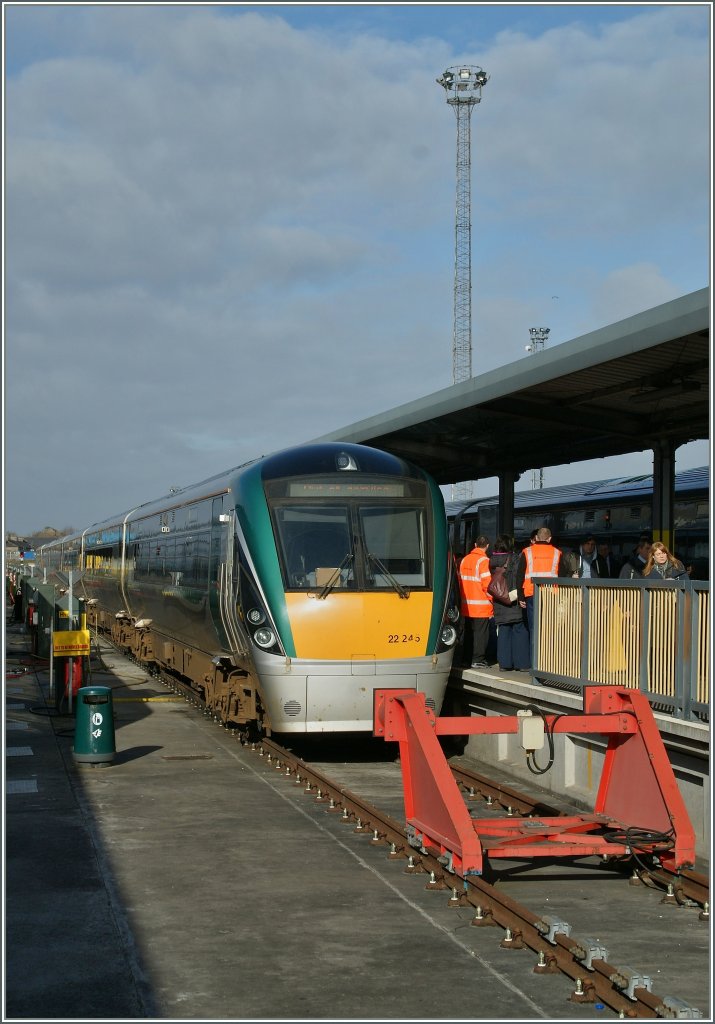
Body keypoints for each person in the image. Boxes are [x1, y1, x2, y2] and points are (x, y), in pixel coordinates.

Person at [488, 535, 530, 672]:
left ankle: (505, 664)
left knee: (504, 632)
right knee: (520, 630)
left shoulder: (491, 561)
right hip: (513, 599)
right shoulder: (514, 559)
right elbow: (520, 577)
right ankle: (522, 663)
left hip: (499, 600)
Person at [516, 526, 561, 640]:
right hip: (551, 594)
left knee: (533, 628)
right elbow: (562, 575)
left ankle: (534, 657)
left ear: (536, 537)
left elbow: (520, 575)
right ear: (549, 539)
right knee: (549, 628)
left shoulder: (527, 552)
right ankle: (547, 655)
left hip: (531, 594)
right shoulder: (557, 553)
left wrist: (520, 596)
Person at [458, 534, 493, 669]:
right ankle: (478, 659)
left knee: (468, 633)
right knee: (481, 634)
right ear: (487, 546)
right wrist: (492, 600)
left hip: (466, 604)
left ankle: (465, 659)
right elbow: (487, 584)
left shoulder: (465, 560)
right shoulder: (484, 561)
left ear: (475, 545)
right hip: (480, 605)